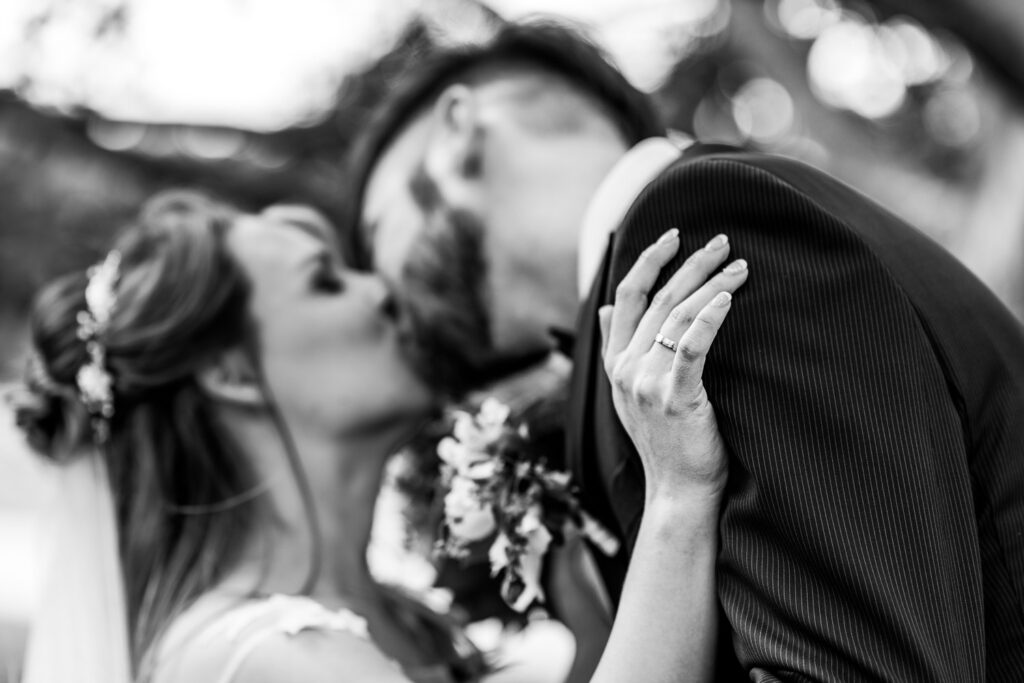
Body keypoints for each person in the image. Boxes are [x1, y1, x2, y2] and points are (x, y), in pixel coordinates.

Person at [347, 20, 1024, 682]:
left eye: (378, 231)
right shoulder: (665, 266)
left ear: (458, 133)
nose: (382, 294)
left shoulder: (700, 225)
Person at [9, 190, 740, 683]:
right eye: (326, 280)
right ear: (231, 370)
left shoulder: (405, 620)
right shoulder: (260, 659)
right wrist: (679, 491)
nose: (380, 289)